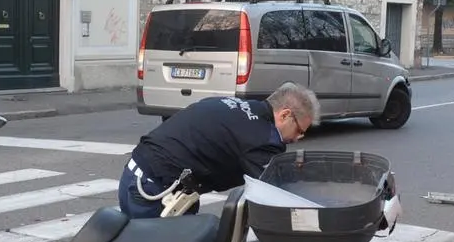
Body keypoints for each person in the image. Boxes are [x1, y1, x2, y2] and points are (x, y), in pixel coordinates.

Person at [118, 81, 321, 219]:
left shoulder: (236, 106)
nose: (298, 138)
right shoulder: (259, 137)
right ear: (285, 115)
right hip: (154, 191)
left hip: (136, 177)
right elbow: (279, 193)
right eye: (299, 130)